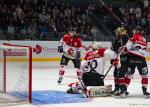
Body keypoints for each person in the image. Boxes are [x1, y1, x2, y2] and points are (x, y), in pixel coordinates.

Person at [125, 26, 150, 98]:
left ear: (137, 31)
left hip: (132, 59)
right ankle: (145, 92)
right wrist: (141, 52)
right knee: (144, 76)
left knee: (129, 75)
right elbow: (147, 52)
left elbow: (127, 48)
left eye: (135, 30)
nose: (134, 31)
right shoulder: (146, 40)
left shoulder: (132, 37)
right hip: (141, 60)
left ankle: (124, 90)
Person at [110, 27, 129, 97]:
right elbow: (115, 50)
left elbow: (117, 48)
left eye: (117, 32)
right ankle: (117, 89)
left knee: (120, 74)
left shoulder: (126, 39)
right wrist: (112, 59)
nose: (116, 34)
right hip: (118, 59)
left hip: (124, 59)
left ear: (121, 33)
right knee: (116, 74)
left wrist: (115, 45)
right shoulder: (117, 40)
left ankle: (123, 91)